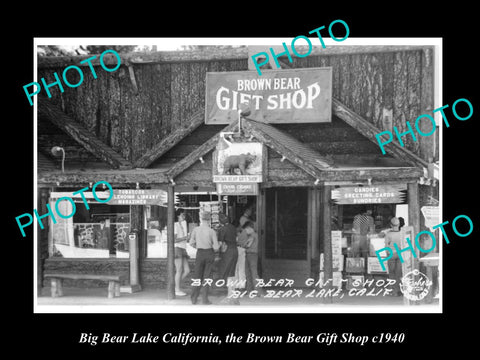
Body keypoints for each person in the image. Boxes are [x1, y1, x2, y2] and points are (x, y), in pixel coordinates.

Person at [189, 211, 220, 305]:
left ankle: (194, 298)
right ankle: (205, 299)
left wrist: (197, 246)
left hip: (200, 253)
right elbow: (216, 248)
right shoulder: (212, 231)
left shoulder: (196, 230)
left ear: (201, 219)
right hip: (209, 253)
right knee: (207, 277)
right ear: (209, 220)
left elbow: (191, 243)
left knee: (197, 276)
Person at [217, 213, 239, 304]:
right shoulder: (233, 227)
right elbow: (237, 239)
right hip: (235, 250)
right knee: (232, 272)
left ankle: (230, 296)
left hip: (227, 252)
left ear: (220, 221)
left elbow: (220, 244)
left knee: (228, 273)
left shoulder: (222, 229)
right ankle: (233, 294)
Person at [239, 221, 263, 296]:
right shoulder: (254, 235)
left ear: (250, 228)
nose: (246, 231)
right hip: (251, 255)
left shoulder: (252, 236)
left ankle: (258, 291)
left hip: (251, 255)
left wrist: (242, 244)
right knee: (249, 273)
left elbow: (247, 245)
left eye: (246, 229)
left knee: (252, 273)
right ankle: (250, 290)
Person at [385, 217, 403, 296]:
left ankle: (393, 291)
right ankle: (398, 290)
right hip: (400, 254)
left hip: (391, 254)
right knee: (398, 273)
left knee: (391, 273)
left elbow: (386, 246)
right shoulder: (402, 233)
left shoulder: (388, 234)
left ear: (391, 225)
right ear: (399, 224)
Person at [174, 209, 190, 296]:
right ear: (178, 216)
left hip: (183, 248)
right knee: (179, 270)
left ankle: (175, 286)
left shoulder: (181, 225)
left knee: (187, 270)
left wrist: (185, 238)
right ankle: (177, 289)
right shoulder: (175, 225)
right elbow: (174, 239)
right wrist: (185, 238)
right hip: (177, 248)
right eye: (182, 215)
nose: (184, 216)